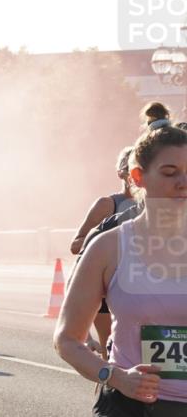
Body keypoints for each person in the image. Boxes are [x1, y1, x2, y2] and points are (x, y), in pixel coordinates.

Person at [54, 124, 187, 417]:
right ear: (139, 176)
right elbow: (67, 339)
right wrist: (117, 377)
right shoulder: (110, 247)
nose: (182, 184)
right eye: (169, 172)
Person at [70, 147, 139, 349]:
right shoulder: (108, 204)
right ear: (121, 173)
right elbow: (76, 244)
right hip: (108, 288)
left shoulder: (159, 205)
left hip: (141, 284)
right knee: (111, 353)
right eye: (129, 168)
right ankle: (107, 379)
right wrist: (107, 241)